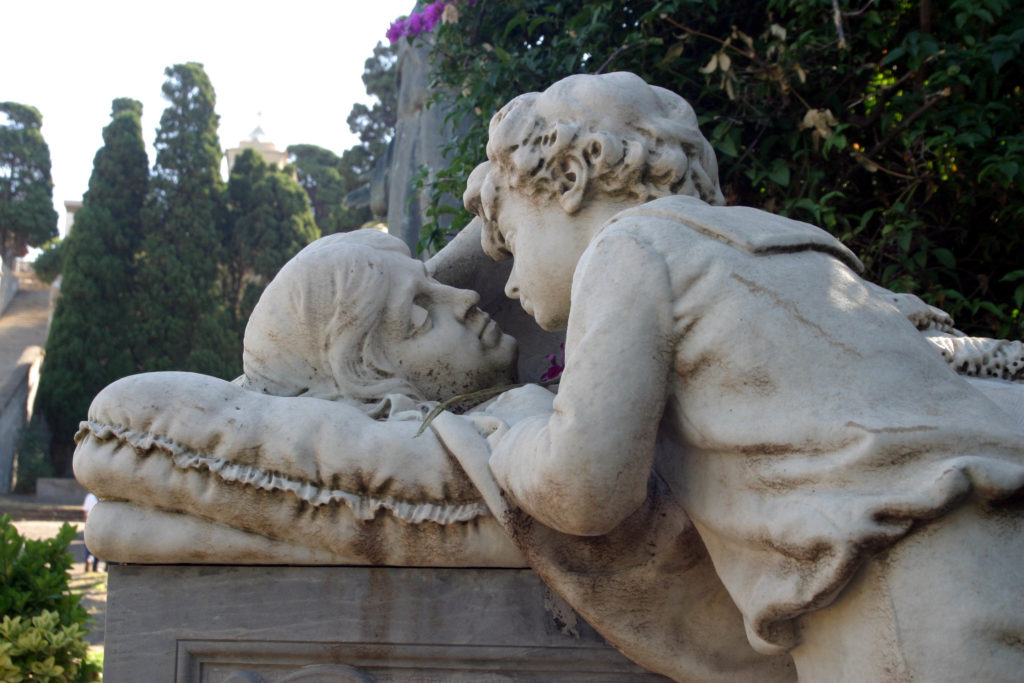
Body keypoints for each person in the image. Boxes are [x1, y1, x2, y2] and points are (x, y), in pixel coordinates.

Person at [463, 72, 1024, 681]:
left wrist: (514, 432)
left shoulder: (630, 247)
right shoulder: (797, 247)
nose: (511, 286)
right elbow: (948, 352)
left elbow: (585, 487)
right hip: (994, 527)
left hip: (893, 582)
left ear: (570, 180)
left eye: (512, 242)